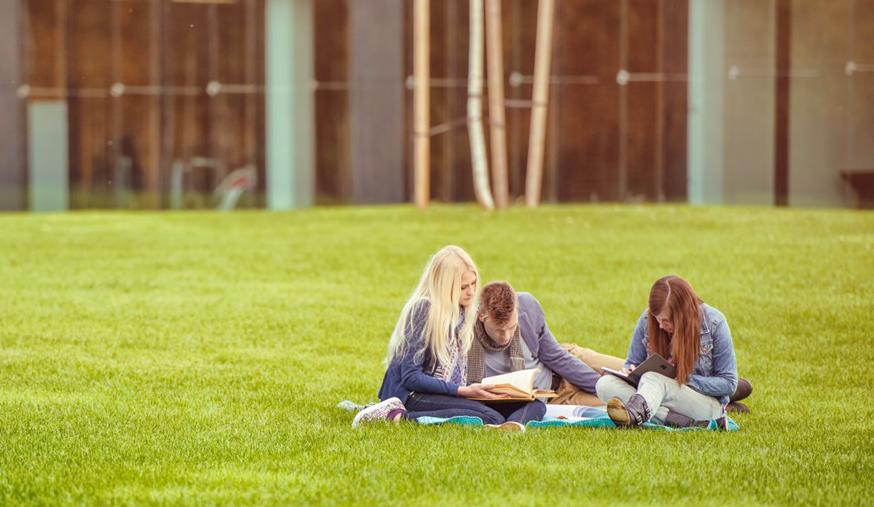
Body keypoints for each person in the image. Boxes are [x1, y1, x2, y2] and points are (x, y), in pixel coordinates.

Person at [352, 246, 542, 430]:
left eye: (473, 283)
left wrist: (488, 389)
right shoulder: (424, 309)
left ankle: (510, 427)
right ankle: (395, 416)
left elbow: (455, 376)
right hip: (413, 394)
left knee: (536, 404)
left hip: (444, 391)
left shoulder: (462, 313)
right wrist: (463, 391)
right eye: (463, 286)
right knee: (488, 416)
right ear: (445, 286)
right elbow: (410, 377)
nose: (471, 291)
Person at [596, 275, 739, 428]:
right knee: (604, 384)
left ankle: (633, 416)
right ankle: (676, 421)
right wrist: (630, 371)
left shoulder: (714, 322)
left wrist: (681, 379)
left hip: (703, 404)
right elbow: (632, 362)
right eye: (657, 319)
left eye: (667, 320)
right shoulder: (646, 320)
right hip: (654, 395)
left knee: (654, 378)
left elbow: (729, 384)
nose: (660, 326)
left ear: (683, 313)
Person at [468, 281, 625, 409]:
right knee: (625, 401)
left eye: (511, 327)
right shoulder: (465, 338)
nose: (506, 336)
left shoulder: (527, 306)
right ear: (481, 316)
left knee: (635, 373)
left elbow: (556, 357)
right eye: (499, 330)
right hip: (555, 399)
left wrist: (601, 386)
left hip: (571, 360)